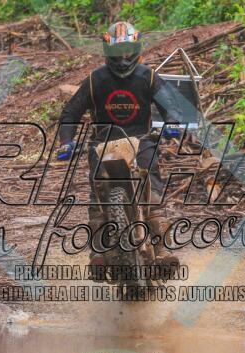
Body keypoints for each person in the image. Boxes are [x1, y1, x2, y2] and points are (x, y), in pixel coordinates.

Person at [56, 21, 184, 267]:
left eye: (127, 50)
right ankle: (97, 253)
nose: (123, 57)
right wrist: (66, 142)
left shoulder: (148, 76)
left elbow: (172, 105)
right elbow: (70, 113)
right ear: (108, 51)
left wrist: (172, 123)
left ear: (136, 49)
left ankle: (163, 249)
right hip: (102, 145)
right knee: (98, 196)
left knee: (152, 190)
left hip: (141, 141)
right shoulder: (95, 80)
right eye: (117, 51)